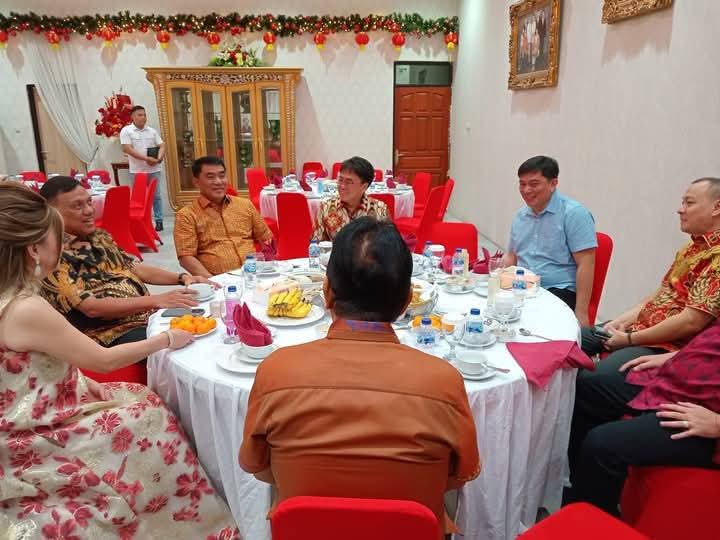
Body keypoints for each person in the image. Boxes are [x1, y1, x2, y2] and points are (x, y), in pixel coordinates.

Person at [0, 182, 239, 538]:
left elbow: (31, 363)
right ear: (34, 249)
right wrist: (166, 339)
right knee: (152, 414)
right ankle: (171, 518)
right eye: (54, 238)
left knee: (138, 396)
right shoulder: (27, 307)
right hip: (35, 431)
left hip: (34, 405)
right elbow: (104, 359)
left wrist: (83, 381)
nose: (88, 211)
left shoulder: (13, 295)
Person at [240, 217, 480, 536]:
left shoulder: (276, 371)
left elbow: (256, 466)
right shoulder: (444, 381)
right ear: (407, 301)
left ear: (327, 292)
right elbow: (461, 474)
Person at [566, 317, 720, 516]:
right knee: (588, 389)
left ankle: (590, 521)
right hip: (689, 375)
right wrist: (674, 356)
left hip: (707, 412)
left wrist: (716, 423)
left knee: (602, 444)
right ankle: (577, 493)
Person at [39, 176, 211, 348]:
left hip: (147, 317)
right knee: (189, 346)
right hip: (111, 334)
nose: (89, 210)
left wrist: (182, 278)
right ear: (51, 212)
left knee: (208, 318)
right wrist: (156, 300)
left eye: (89, 202)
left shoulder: (99, 236)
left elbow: (134, 268)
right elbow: (91, 307)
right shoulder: (51, 256)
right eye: (78, 206)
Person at [582, 177, 720, 366]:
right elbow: (660, 296)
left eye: (689, 203)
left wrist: (629, 339)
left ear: (716, 208)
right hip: (641, 329)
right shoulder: (692, 247)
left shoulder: (716, 257)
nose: (680, 210)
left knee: (591, 379)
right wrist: (620, 322)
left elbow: (691, 321)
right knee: (567, 341)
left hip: (667, 344)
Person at [505, 156, 597, 325]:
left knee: (527, 323)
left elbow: (586, 263)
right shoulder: (520, 216)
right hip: (523, 287)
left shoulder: (574, 213)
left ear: (553, 183)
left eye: (534, 184)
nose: (526, 190)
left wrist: (581, 313)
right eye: (522, 184)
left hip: (558, 289)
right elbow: (512, 256)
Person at [174, 156, 274, 277]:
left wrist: (269, 266)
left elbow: (266, 238)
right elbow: (186, 257)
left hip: (253, 275)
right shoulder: (187, 215)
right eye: (210, 177)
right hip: (216, 278)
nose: (218, 182)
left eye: (222, 176)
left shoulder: (244, 205)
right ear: (196, 182)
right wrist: (213, 281)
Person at [312, 156, 388, 242]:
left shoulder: (379, 210)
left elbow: (388, 245)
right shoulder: (326, 208)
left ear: (364, 186)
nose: (342, 186)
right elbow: (316, 244)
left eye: (349, 182)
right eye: (340, 180)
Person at [119, 105, 166, 231]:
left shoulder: (152, 131)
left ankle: (159, 221)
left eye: (144, 115)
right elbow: (127, 149)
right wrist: (146, 159)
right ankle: (142, 222)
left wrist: (159, 159)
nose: (143, 117)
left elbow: (162, 145)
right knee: (139, 198)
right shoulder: (126, 131)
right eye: (140, 115)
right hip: (137, 171)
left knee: (156, 196)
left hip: (154, 169)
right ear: (132, 117)